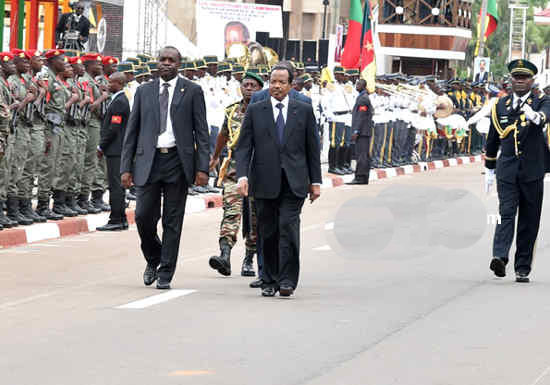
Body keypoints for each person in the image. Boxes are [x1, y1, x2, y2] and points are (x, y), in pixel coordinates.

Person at [121, 46, 210, 290]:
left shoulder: (192, 91)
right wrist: (125, 168)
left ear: (179, 64)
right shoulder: (143, 91)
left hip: (177, 163)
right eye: (163, 60)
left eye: (172, 60)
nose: (167, 64)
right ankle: (154, 257)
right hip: (147, 162)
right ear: (156, 63)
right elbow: (132, 132)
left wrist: (203, 168)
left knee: (173, 220)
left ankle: (166, 272)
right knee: (142, 217)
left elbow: (201, 132)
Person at [235, 65, 322, 297]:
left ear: (290, 85)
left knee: (288, 228)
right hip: (263, 181)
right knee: (268, 231)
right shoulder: (256, 109)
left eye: (282, 82)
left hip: (294, 181)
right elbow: (244, 146)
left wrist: (316, 181)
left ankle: (287, 280)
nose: (277, 86)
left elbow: (312, 148)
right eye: (273, 81)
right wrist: (242, 176)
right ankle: (269, 280)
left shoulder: (303, 109)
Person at [485, 59, 550, 283]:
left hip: (533, 170)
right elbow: (493, 139)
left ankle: (522, 266)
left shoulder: (543, 101)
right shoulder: (500, 106)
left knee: (529, 220)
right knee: (506, 214)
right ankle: (500, 257)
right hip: (507, 171)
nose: (520, 81)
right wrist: (490, 168)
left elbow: (545, 117)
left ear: (532, 81)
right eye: (516, 77)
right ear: (510, 80)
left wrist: (536, 117)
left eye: (524, 78)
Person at [208, 72, 262, 277]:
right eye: (245, 84)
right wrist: (214, 157)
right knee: (231, 212)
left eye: (253, 85)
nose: (248, 88)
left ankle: (249, 258)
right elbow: (223, 135)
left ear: (260, 88)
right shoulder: (232, 111)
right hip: (233, 170)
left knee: (255, 218)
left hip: (258, 171)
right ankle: (225, 255)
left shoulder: (264, 110)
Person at [97, 72, 130, 231]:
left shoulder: (119, 102)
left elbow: (114, 128)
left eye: (111, 83)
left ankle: (116, 219)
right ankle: (122, 219)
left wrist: (101, 146)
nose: (108, 85)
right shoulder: (118, 100)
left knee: (116, 186)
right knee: (118, 185)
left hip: (115, 150)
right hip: (117, 149)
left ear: (118, 83)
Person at [347, 79, 374, 185]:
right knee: (364, 155)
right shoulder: (363, 97)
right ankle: (364, 177)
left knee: (361, 155)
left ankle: (360, 177)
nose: (356, 86)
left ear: (363, 85)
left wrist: (356, 131)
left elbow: (361, 117)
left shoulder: (363, 99)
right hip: (364, 131)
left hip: (362, 132)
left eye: (358, 84)